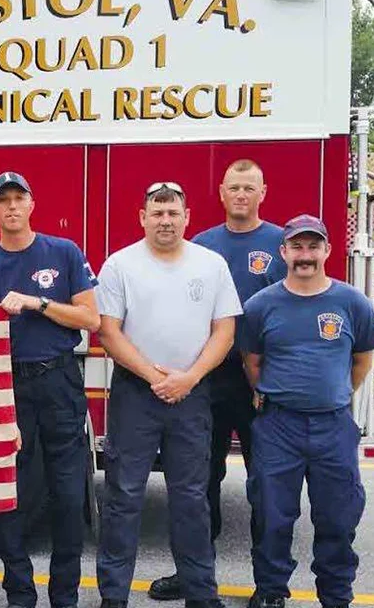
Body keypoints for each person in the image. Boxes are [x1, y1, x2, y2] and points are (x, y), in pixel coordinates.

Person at [0, 171, 100, 608]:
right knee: (10, 495)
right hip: (10, 386)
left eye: (20, 198)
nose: (12, 206)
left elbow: (90, 320)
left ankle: (65, 595)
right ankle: (20, 591)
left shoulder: (65, 252)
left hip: (59, 381)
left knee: (69, 495)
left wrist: (37, 303)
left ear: (32, 204)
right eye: (4, 200)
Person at [94, 182, 240, 608]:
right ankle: (113, 597)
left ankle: (201, 595)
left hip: (191, 395)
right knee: (123, 497)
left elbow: (225, 331)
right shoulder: (120, 265)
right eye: (156, 213)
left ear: (187, 216)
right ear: (142, 217)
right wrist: (154, 376)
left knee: (192, 499)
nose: (165, 221)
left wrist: (189, 377)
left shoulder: (211, 265)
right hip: (136, 396)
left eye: (173, 213)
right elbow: (109, 331)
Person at [149, 160, 286, 601]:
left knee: (265, 485)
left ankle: (269, 585)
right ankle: (192, 574)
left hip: (259, 382)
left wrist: (270, 379)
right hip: (207, 377)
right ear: (222, 194)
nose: (241, 195)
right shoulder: (201, 245)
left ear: (263, 191)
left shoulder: (282, 243)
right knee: (197, 480)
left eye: (249, 187)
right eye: (234, 188)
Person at [240, 214, 372, 608]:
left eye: (313, 246)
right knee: (271, 517)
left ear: (328, 250)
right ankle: (270, 592)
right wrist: (272, 394)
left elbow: (362, 360)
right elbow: (252, 361)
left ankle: (335, 596)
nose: (305, 255)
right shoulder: (260, 305)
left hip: (333, 426)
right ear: (283, 252)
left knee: (337, 517)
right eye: (297, 246)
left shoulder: (353, 302)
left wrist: (332, 395)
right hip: (278, 426)